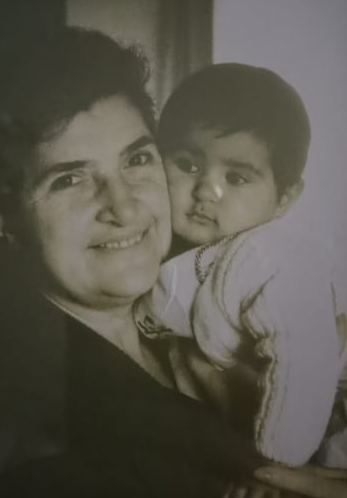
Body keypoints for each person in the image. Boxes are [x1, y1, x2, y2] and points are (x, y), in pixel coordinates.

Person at [0, 28, 346, 498]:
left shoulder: (196, 300)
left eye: (137, 159)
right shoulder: (29, 444)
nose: (124, 208)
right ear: (2, 217)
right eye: (69, 179)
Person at [135, 64, 347, 467]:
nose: (205, 191)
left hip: (308, 435)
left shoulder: (273, 258)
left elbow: (302, 364)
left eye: (236, 177)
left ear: (284, 198)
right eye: (188, 164)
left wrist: (270, 465)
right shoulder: (159, 250)